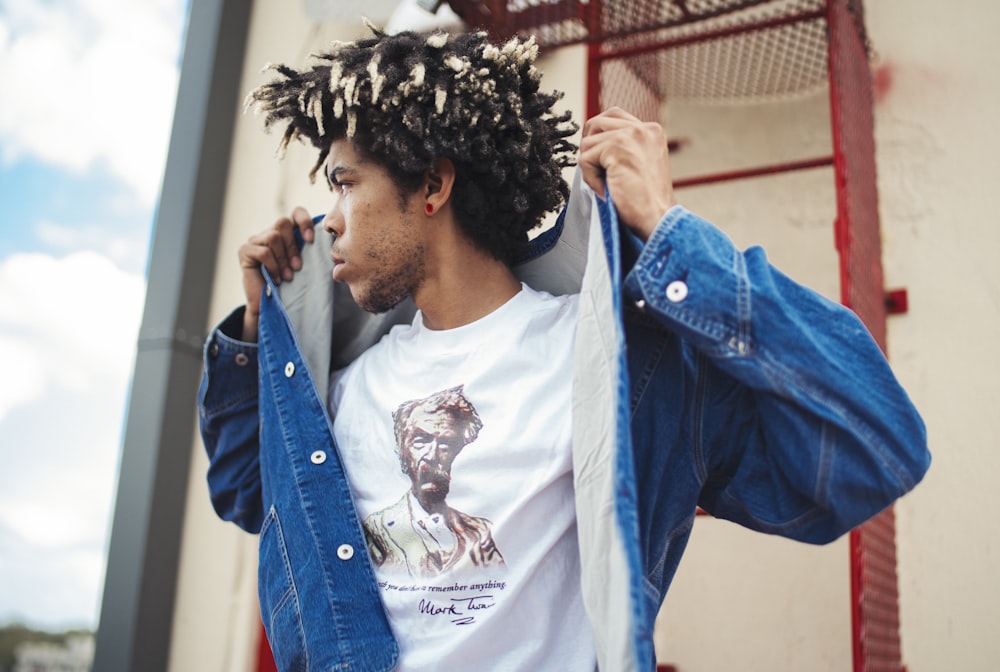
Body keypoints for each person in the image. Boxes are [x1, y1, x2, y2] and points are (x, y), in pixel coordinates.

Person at [198, 22, 930, 672]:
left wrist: (672, 235)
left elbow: (873, 448)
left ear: (432, 185)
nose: (327, 221)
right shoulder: (347, 386)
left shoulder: (614, 363)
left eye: (345, 184)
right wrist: (260, 334)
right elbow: (246, 494)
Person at [364, 384, 505, 577]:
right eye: (421, 440)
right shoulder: (377, 528)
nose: (432, 456)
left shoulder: (479, 531)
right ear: (401, 449)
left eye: (446, 443)